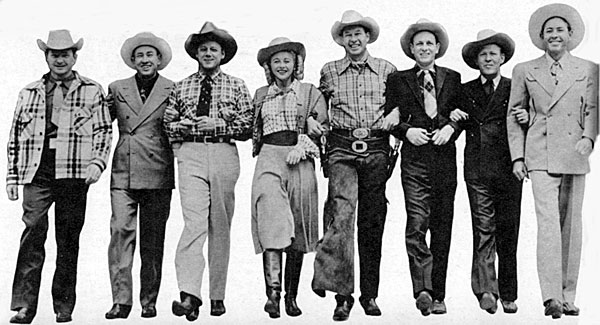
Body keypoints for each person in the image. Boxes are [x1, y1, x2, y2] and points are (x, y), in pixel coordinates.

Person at [6, 29, 112, 324]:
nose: (60, 60)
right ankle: (24, 306)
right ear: (47, 57)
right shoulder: (29, 92)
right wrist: (12, 178)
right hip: (37, 171)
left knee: (68, 240)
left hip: (75, 173)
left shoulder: (92, 89)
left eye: (66, 54)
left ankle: (63, 305)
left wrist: (97, 163)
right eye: (55, 55)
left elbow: (104, 131)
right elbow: (14, 137)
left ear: (74, 57)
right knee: (32, 234)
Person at [507, 3, 598, 319]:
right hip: (540, 153)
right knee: (548, 226)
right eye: (549, 32)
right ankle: (551, 298)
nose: (555, 36)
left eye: (560, 30)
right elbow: (513, 115)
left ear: (570, 35)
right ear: (541, 38)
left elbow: (593, 109)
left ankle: (568, 295)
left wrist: (588, 137)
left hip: (575, 151)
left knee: (571, 225)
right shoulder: (525, 70)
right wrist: (518, 156)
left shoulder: (588, 69)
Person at [163, 21, 253, 321]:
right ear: (196, 54)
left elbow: (247, 126)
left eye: (214, 49)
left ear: (223, 54)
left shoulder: (237, 85)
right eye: (203, 49)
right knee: (193, 224)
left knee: (220, 225)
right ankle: (189, 294)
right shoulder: (182, 85)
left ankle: (217, 295)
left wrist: (220, 125)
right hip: (191, 153)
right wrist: (183, 127)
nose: (208, 53)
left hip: (224, 152)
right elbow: (168, 124)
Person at [311, 9, 397, 321]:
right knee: (342, 216)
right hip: (341, 148)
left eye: (358, 33)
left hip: (376, 147)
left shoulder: (387, 68)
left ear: (367, 36)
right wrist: (312, 121)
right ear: (341, 39)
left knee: (372, 221)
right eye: (348, 34)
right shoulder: (330, 70)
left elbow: (401, 105)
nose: (353, 38)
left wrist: (396, 117)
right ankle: (342, 295)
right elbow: (318, 109)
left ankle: (369, 294)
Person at [384, 18, 462, 316]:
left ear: (438, 48)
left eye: (430, 43)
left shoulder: (453, 78)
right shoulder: (398, 80)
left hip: (444, 162)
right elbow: (390, 118)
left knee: (442, 227)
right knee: (416, 224)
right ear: (411, 50)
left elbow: (463, 114)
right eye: (419, 44)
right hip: (414, 162)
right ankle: (423, 290)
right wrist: (406, 131)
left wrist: (451, 127)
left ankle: (439, 293)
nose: (425, 48)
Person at [251, 37, 328, 319]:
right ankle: (272, 294)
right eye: (276, 61)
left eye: (287, 60)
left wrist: (304, 142)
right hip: (269, 157)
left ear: (296, 63)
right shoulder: (260, 94)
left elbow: (324, 126)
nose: (282, 65)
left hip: (301, 158)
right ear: (269, 66)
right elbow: (249, 128)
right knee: (272, 220)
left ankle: (291, 297)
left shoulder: (310, 92)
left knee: (297, 224)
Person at [451, 29, 523, 314]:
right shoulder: (465, 90)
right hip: (477, 170)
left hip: (509, 168)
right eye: (483, 54)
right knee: (483, 230)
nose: (489, 58)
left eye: (493, 53)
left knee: (509, 229)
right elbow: (450, 116)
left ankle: (509, 292)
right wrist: (453, 116)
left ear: (502, 57)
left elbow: (531, 118)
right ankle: (486, 291)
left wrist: (526, 117)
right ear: (476, 61)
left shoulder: (515, 86)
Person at [104, 32, 175, 320]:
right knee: (120, 234)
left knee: (152, 240)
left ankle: (149, 300)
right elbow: (97, 122)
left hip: (158, 172)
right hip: (123, 172)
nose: (145, 60)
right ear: (132, 61)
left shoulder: (174, 89)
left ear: (159, 60)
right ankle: (121, 301)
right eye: (140, 56)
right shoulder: (117, 88)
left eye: (151, 55)